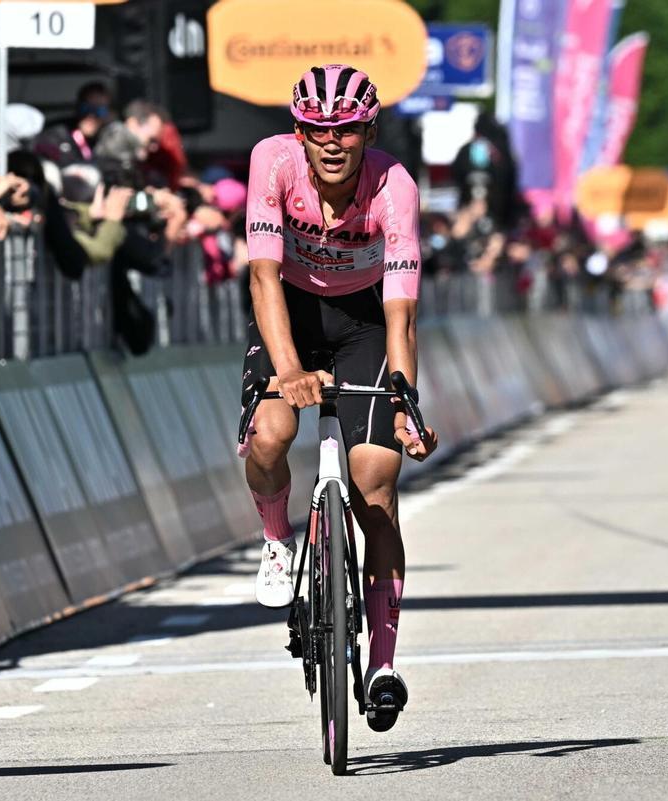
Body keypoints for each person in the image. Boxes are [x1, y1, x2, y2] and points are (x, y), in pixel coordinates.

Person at [241, 64, 439, 733]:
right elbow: (263, 277)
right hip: (289, 311)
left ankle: (382, 661)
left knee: (375, 482)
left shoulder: (395, 186)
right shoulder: (272, 162)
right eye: (318, 130)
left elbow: (401, 313)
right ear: (299, 132)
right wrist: (291, 371)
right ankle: (275, 537)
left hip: (362, 321)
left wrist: (405, 398)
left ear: (368, 132)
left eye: (347, 130)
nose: (331, 142)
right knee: (268, 433)